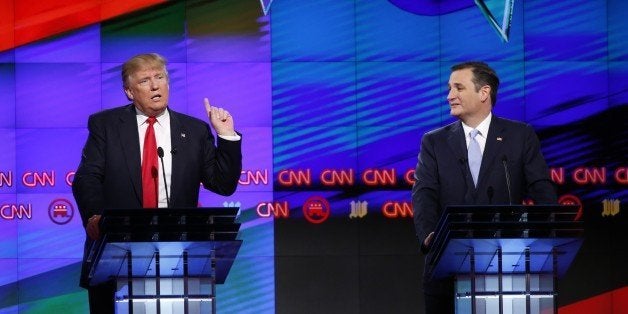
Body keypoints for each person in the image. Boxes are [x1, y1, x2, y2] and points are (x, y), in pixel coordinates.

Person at [72, 53, 242, 313]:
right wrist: (94, 216)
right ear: (129, 92)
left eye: (160, 77)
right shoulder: (106, 125)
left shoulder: (194, 130)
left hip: (178, 254)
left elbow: (222, 184)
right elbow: (87, 177)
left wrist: (227, 136)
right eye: (144, 81)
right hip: (117, 253)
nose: (155, 86)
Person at [411, 61, 557, 314]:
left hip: (507, 267)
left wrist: (542, 239)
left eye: (458, 88)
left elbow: (542, 190)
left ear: (484, 93)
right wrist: (429, 236)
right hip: (449, 266)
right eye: (449, 88)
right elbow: (424, 194)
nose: (449, 96)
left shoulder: (520, 135)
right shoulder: (434, 142)